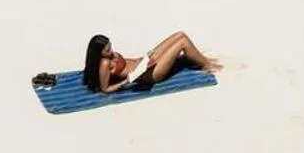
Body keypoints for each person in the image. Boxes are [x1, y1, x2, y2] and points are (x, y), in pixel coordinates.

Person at [82, 31, 223, 94]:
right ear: (98, 53)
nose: (111, 50)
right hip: (149, 74)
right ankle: (206, 65)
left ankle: (201, 60)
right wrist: (126, 81)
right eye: (107, 49)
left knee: (180, 34)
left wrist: (144, 58)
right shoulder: (104, 65)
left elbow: (127, 62)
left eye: (110, 46)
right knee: (182, 43)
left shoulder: (109, 56)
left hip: (145, 63)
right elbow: (105, 89)